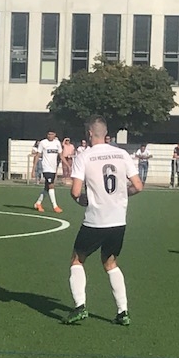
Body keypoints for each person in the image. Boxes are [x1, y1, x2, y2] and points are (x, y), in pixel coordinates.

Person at [63, 115, 143, 326]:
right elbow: (138, 186)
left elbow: (75, 192)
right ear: (106, 133)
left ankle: (80, 306)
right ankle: (123, 312)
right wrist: (121, 196)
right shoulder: (122, 154)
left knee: (77, 259)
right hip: (118, 220)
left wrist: (82, 200)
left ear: (90, 133)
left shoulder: (85, 156)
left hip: (95, 220)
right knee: (110, 263)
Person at [32, 130, 67, 213]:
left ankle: (38, 203)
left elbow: (61, 155)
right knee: (51, 186)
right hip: (46, 168)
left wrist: (68, 165)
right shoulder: (43, 143)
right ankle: (55, 206)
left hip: (53, 168)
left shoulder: (57, 143)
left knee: (47, 187)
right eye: (49, 134)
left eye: (52, 134)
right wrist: (33, 169)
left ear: (55, 135)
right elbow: (37, 155)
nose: (50, 135)